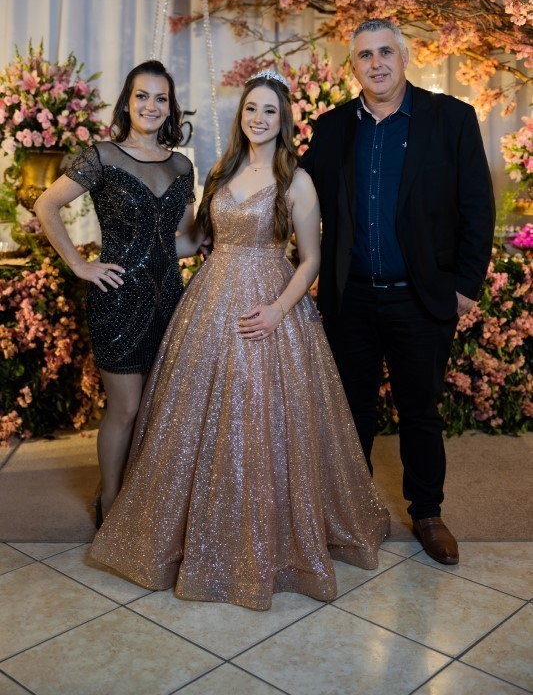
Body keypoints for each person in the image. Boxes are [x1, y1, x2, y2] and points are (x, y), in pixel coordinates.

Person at [89, 70, 390, 611]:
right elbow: (196, 240)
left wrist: (277, 310)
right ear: (241, 115)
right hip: (209, 301)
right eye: (251, 108)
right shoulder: (221, 172)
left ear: (283, 120)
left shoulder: (296, 180)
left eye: (269, 110)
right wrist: (129, 251)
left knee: (262, 413)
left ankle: (261, 535)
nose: (258, 118)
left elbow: (311, 259)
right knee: (194, 419)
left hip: (269, 302)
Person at [302, 19, 495, 565]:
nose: (377, 63)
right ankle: (354, 512)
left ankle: (427, 514)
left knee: (420, 412)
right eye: (365, 55)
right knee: (352, 413)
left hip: (421, 296)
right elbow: (294, 191)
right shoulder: (332, 127)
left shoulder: (451, 118)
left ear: (404, 57)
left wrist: (465, 286)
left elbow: (477, 205)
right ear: (354, 67)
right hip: (351, 297)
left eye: (385, 51)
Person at [35, 60, 195, 524]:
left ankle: (143, 495)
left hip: (169, 299)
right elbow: (46, 204)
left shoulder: (182, 165)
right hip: (118, 298)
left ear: (171, 107)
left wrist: (217, 233)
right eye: (142, 96)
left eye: (161, 98)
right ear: (127, 102)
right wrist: (79, 264)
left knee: (154, 410)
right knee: (125, 408)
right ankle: (109, 501)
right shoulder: (102, 156)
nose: (151, 106)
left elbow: (182, 242)